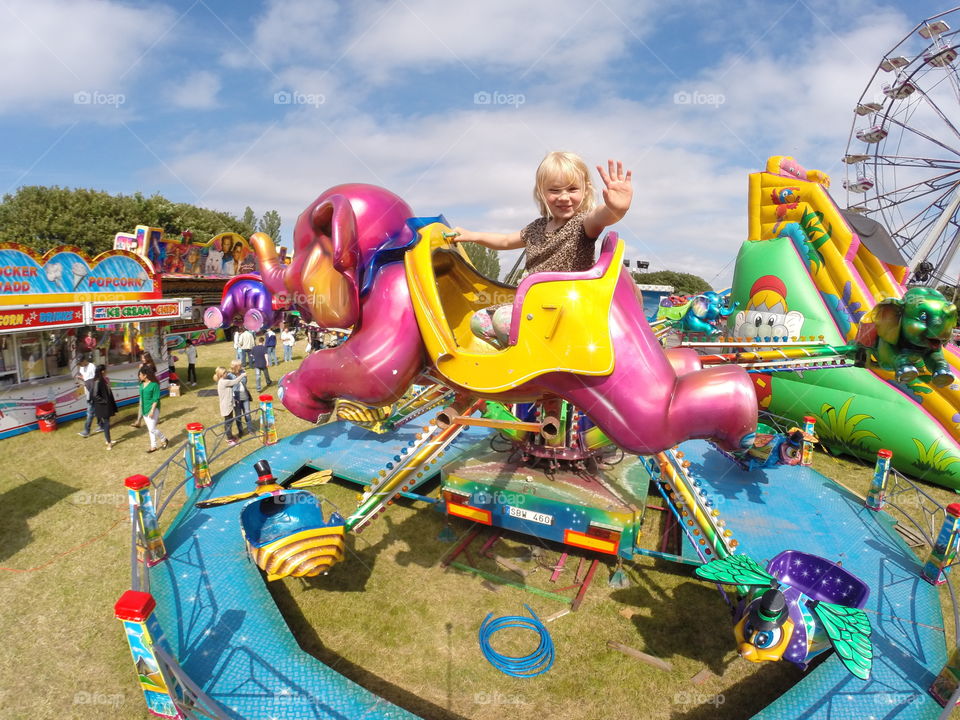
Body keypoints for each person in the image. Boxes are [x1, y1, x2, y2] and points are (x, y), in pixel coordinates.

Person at [453, 153, 633, 348]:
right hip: (534, 305)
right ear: (541, 193)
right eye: (554, 190)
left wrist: (616, 209)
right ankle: (523, 353)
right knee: (479, 320)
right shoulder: (536, 227)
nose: (564, 197)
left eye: (572, 189)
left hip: (563, 308)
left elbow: (601, 216)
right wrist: (473, 236)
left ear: (585, 190)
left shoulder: (583, 223)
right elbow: (505, 241)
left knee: (503, 319)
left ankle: (537, 356)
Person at [214, 366, 247, 445]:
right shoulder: (223, 382)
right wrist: (242, 375)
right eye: (225, 373)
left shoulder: (223, 380)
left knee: (229, 421)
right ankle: (229, 439)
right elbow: (235, 382)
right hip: (226, 406)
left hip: (228, 404)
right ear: (222, 374)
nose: (227, 374)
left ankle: (230, 436)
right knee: (228, 422)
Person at [138, 366, 168, 453]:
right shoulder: (141, 385)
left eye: (140, 374)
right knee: (150, 429)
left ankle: (163, 438)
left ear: (145, 375)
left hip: (153, 409)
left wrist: (152, 411)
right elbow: (141, 397)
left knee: (152, 429)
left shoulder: (154, 385)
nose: (139, 376)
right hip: (144, 409)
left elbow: (156, 399)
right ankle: (153, 446)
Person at [90, 364, 119, 449]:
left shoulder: (103, 379)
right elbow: (95, 395)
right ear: (102, 371)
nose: (107, 371)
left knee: (107, 423)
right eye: (105, 370)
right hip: (102, 406)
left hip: (106, 405)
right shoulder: (98, 381)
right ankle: (109, 443)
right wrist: (104, 401)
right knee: (106, 424)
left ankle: (108, 440)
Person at [75, 354, 103, 437]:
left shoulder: (92, 366)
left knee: (90, 412)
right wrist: (81, 378)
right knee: (97, 409)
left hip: (93, 392)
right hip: (88, 391)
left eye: (80, 363)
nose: (79, 365)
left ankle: (87, 431)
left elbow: (94, 380)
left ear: (84, 360)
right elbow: (86, 378)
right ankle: (101, 425)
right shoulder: (81, 368)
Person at [130, 352, 157, 428]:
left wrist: (141, 368)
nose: (143, 359)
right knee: (143, 403)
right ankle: (139, 421)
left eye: (144, 358)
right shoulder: (146, 365)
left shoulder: (149, 366)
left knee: (143, 403)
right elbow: (140, 376)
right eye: (142, 358)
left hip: (149, 387)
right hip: (145, 386)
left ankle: (139, 421)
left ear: (148, 358)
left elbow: (146, 376)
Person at [228, 359, 254, 437]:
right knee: (238, 415)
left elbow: (244, 382)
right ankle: (241, 431)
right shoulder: (229, 375)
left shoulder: (242, 372)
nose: (242, 366)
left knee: (248, 414)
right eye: (240, 365)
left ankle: (250, 430)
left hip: (244, 395)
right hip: (236, 397)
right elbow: (230, 384)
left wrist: (243, 375)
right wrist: (240, 377)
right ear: (236, 366)